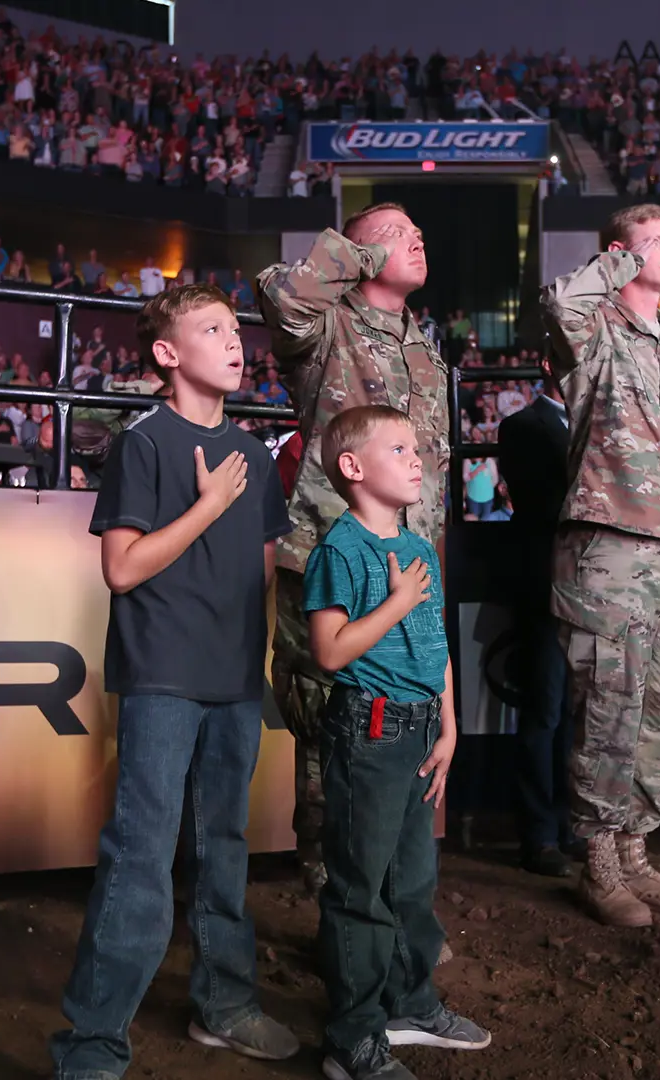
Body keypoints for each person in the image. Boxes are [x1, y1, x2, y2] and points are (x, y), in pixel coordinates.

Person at [51, 284, 300, 1079]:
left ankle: (224, 1008)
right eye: (212, 329)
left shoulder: (256, 455)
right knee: (140, 856)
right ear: (167, 353)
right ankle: (90, 1049)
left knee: (224, 851)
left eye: (235, 329)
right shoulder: (144, 443)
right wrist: (205, 507)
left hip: (232, 679)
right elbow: (122, 569)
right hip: (161, 677)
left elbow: (260, 575)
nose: (235, 341)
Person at [256, 204, 449, 895]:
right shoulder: (327, 322)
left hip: (409, 559)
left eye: (416, 229)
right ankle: (332, 891)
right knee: (329, 726)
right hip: (335, 558)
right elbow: (280, 291)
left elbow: (434, 469)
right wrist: (361, 252)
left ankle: (389, 895)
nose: (416, 238)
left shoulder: (422, 345)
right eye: (398, 233)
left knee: (403, 727)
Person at [302, 404, 490, 1080]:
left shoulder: (415, 548)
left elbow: (434, 643)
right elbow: (328, 652)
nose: (418, 460)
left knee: (414, 881)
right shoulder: (341, 549)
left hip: (417, 730)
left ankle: (409, 1005)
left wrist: (448, 724)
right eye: (400, 449)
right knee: (360, 889)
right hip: (369, 729)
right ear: (353, 468)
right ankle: (352, 1038)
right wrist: (396, 604)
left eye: (417, 449)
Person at [540, 204, 660, 928]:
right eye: (655, 243)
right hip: (608, 544)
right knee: (607, 705)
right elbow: (559, 301)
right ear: (619, 251)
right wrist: (619, 262)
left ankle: (637, 849)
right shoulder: (594, 325)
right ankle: (598, 861)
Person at [494, 362, 575, 876]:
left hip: (594, 586)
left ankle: (571, 827)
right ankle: (539, 835)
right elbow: (542, 503)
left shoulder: (596, 419)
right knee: (545, 709)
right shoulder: (522, 426)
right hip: (547, 581)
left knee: (580, 712)